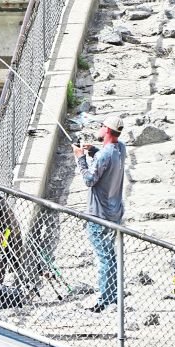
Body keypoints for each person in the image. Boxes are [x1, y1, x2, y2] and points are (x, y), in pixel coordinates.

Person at [73, 114, 126, 312]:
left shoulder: (105, 155)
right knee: (111, 256)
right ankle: (112, 296)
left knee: (105, 258)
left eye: (102, 126)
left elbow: (89, 180)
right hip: (114, 213)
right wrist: (94, 150)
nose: (100, 128)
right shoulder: (120, 148)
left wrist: (80, 158)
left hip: (98, 215)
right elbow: (107, 162)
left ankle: (104, 301)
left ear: (108, 131)